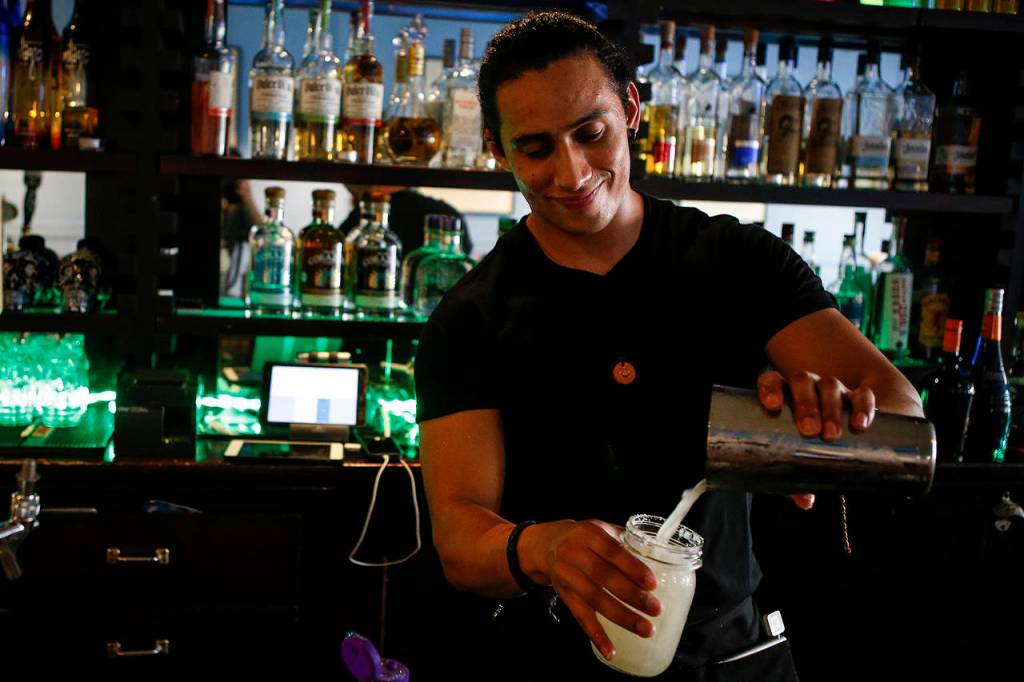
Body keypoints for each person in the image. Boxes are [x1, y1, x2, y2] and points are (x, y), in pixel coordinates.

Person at [414, 11, 923, 680]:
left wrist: (822, 423)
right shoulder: (471, 316)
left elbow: (899, 410)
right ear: (496, 149)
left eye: (590, 133)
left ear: (630, 109)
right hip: (557, 656)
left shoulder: (737, 262)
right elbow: (459, 540)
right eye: (535, 148)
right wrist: (543, 548)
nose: (572, 171)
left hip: (734, 657)